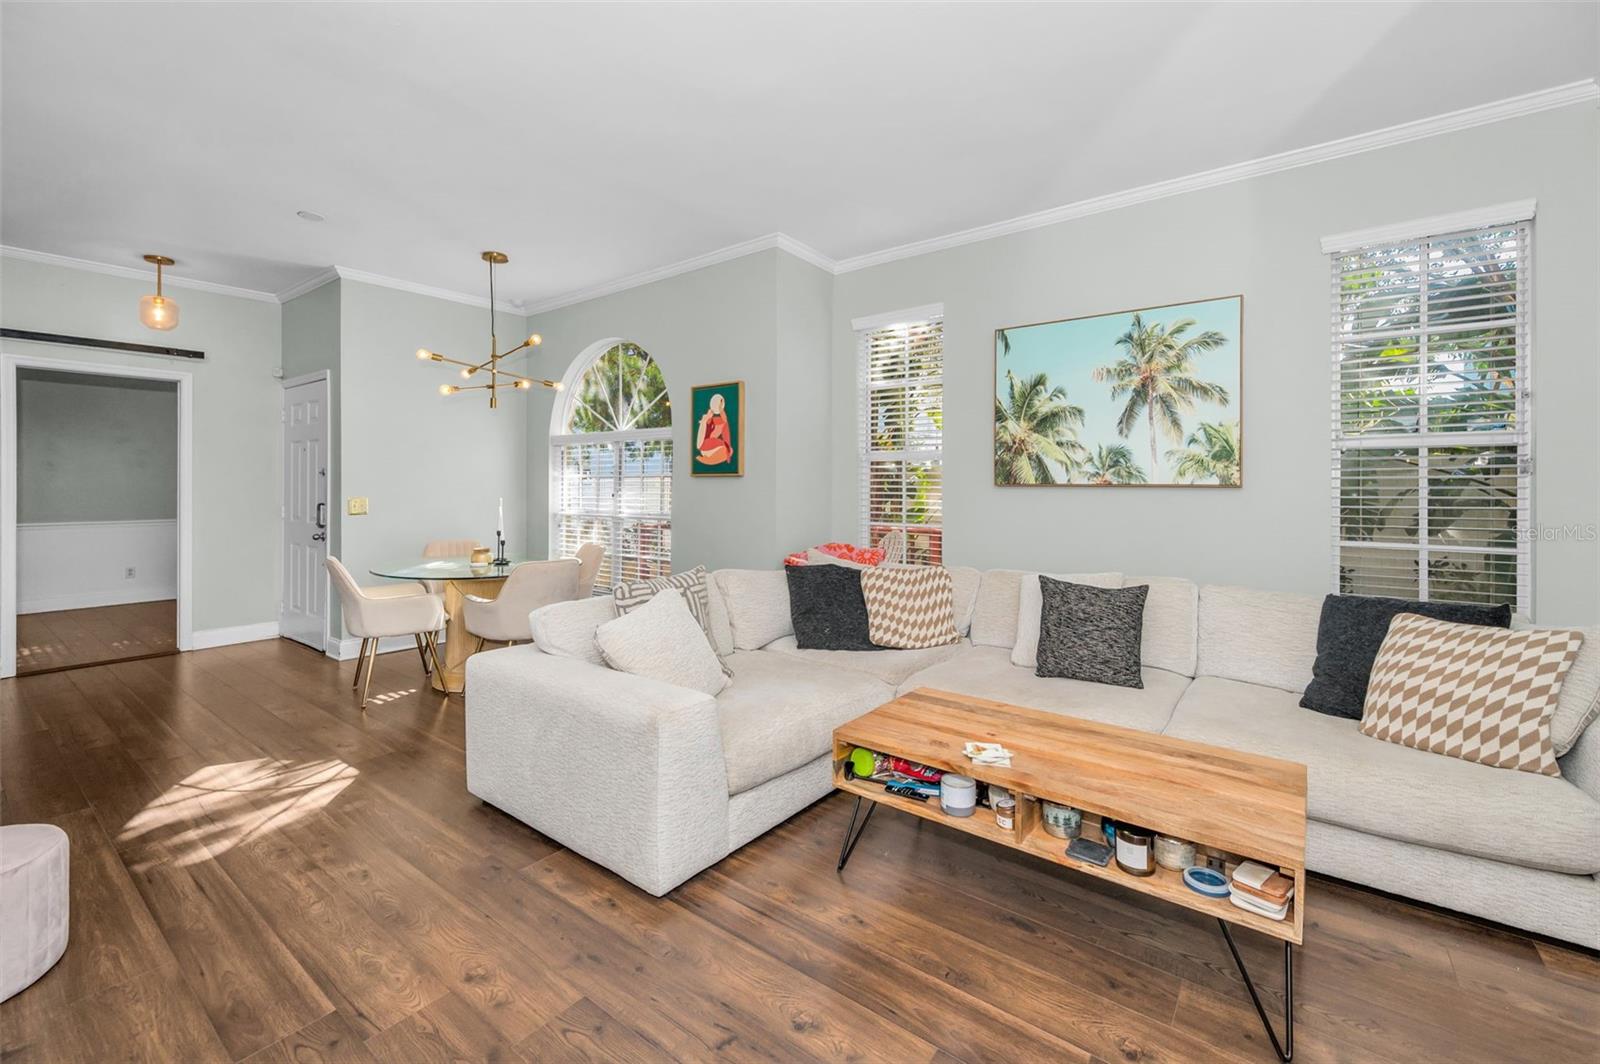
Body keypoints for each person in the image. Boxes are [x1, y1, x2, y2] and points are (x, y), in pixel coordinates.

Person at [696, 392, 733, 465]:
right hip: (704, 447)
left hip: (713, 448)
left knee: (729, 450)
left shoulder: (717, 421)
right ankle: (707, 459)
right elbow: (699, 445)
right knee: (727, 450)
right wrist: (706, 419)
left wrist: (720, 409)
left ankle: (708, 459)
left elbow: (724, 421)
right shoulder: (706, 420)